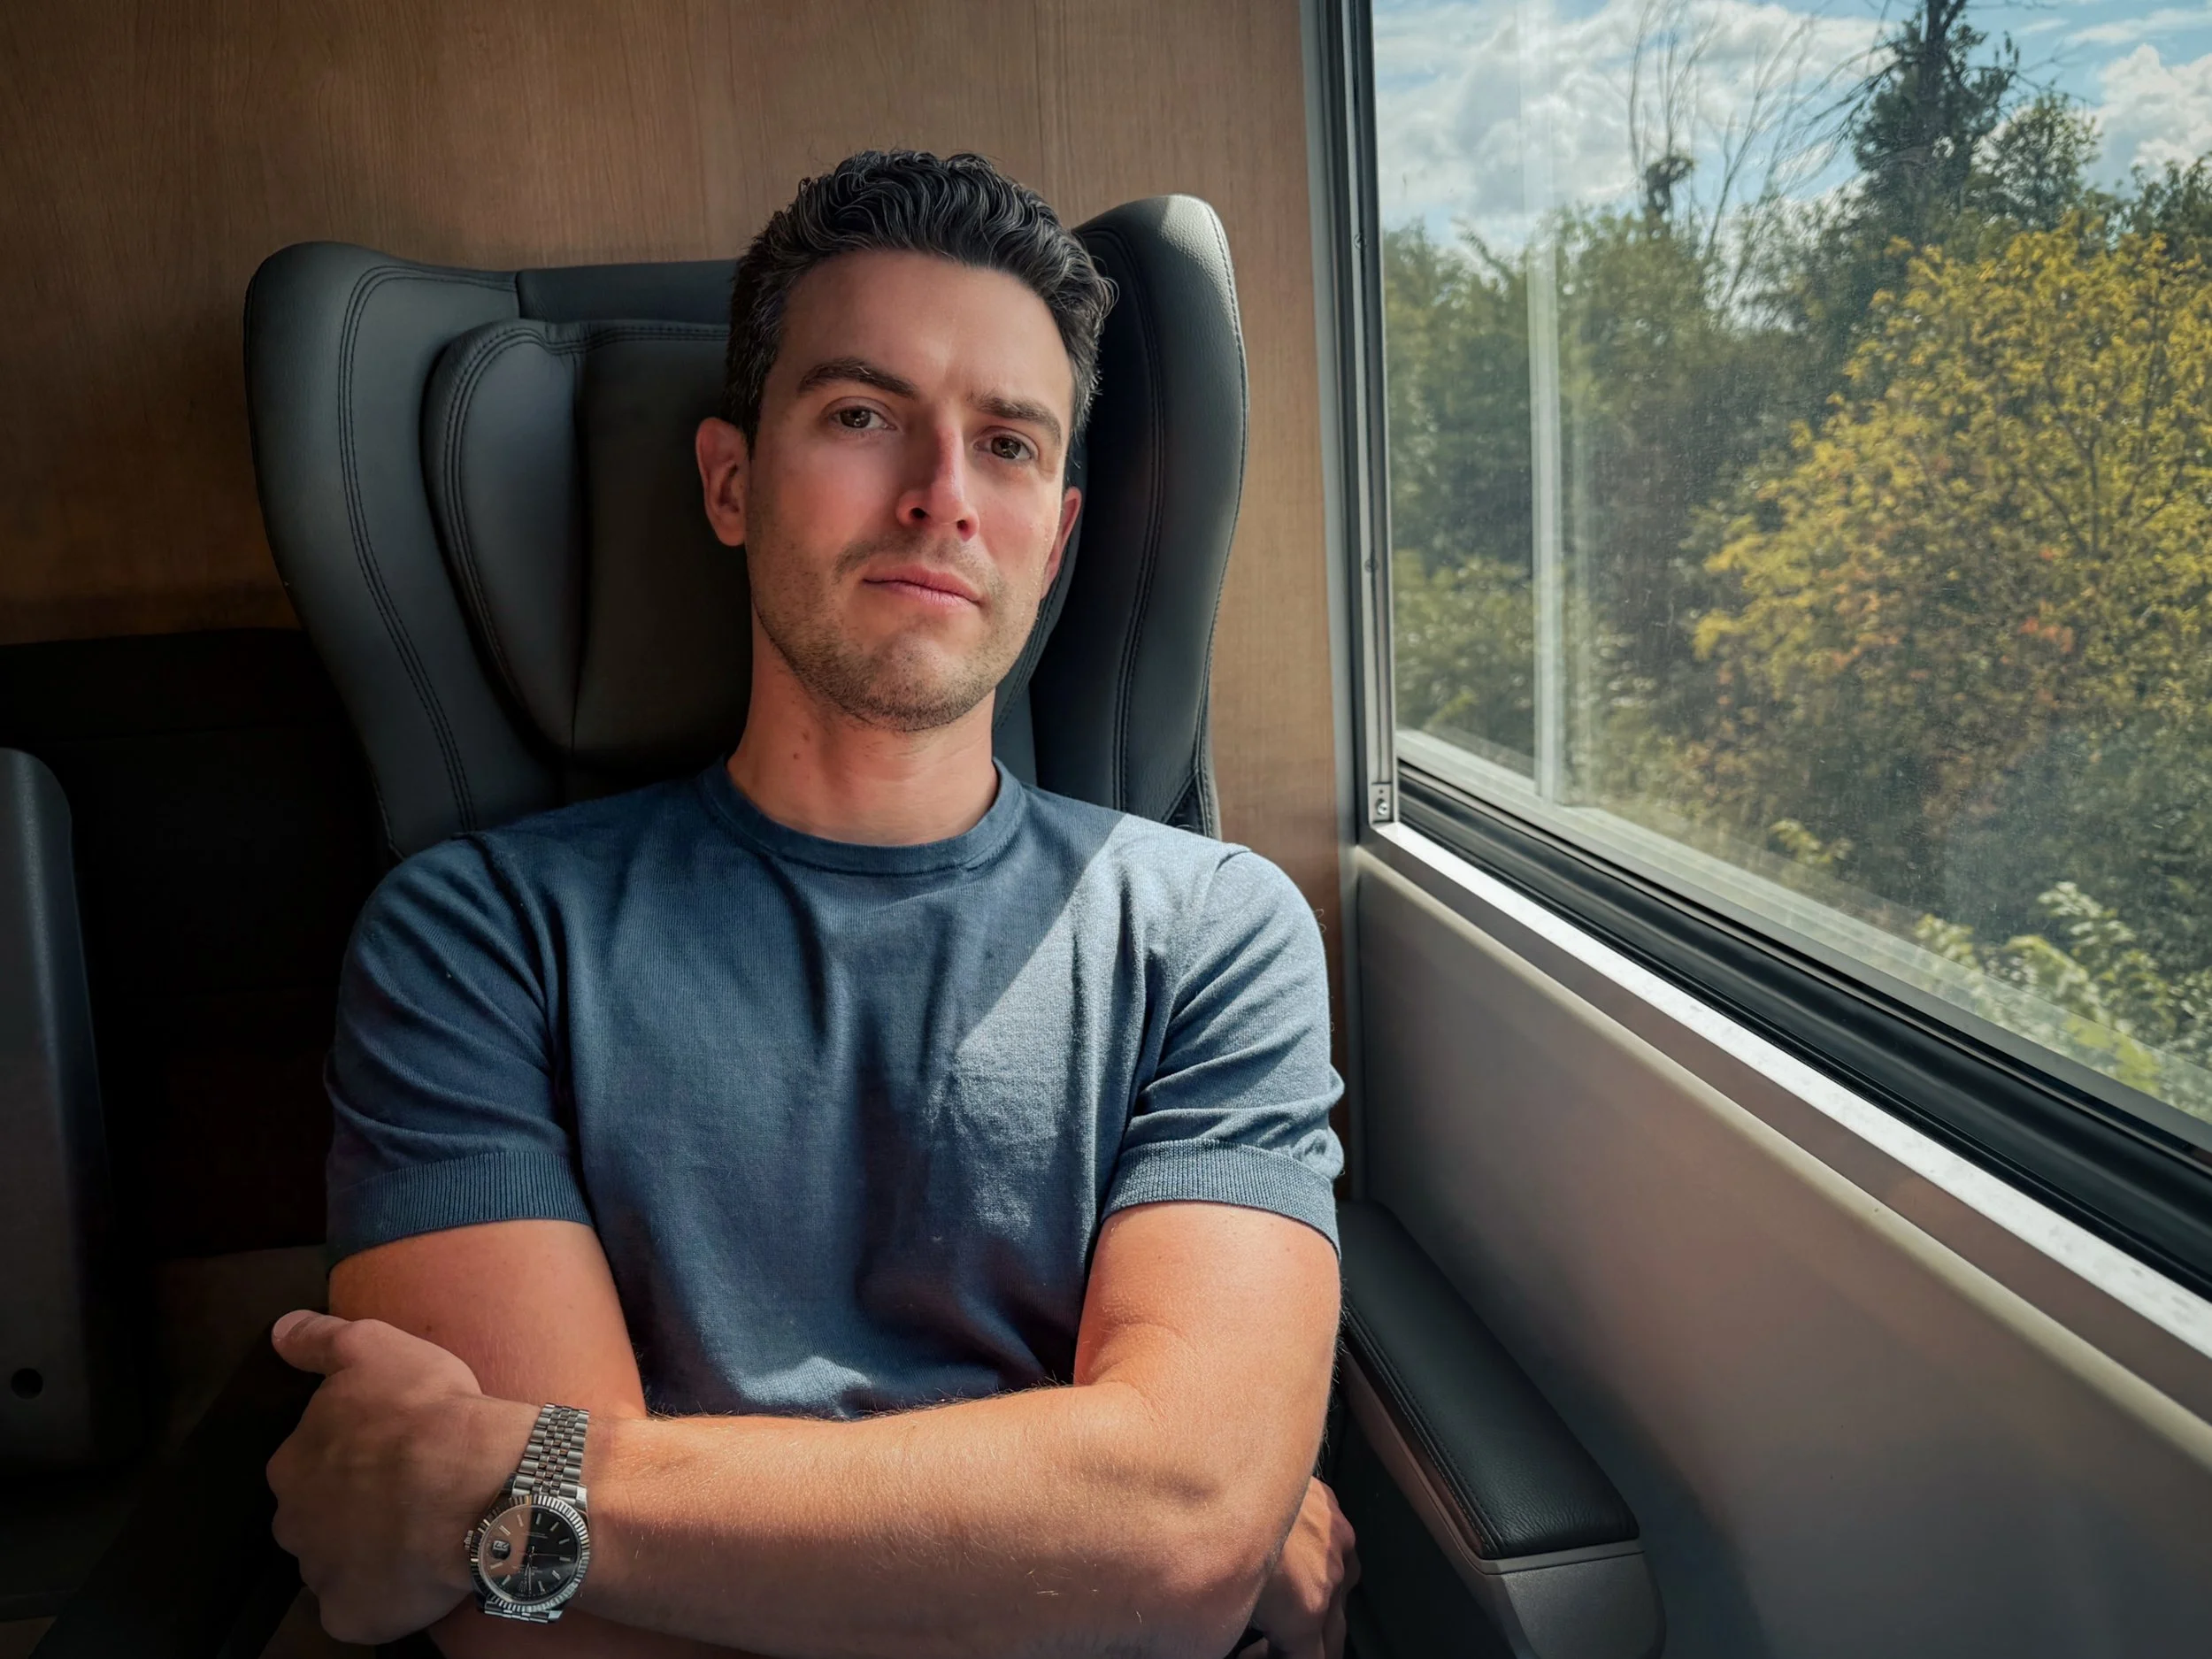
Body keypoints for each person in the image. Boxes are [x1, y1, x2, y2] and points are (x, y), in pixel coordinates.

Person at [264, 149, 1356, 1659]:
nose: (940, 498)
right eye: (861, 415)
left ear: (1059, 532)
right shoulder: (474, 939)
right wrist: (1101, 1539)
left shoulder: (1214, 932)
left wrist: (520, 1489)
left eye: (1011, 445)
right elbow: (538, 1633)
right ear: (730, 479)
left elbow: (1175, 1527)